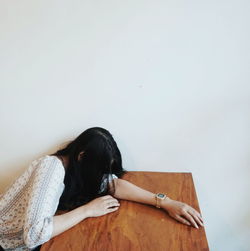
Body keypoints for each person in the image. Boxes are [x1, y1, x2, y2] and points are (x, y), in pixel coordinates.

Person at [0, 127, 203, 250]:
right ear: (81, 156)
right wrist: (88, 210)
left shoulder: (75, 166)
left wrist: (165, 202)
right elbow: (34, 234)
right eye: (99, 169)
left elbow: (114, 184)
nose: (103, 176)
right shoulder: (51, 168)